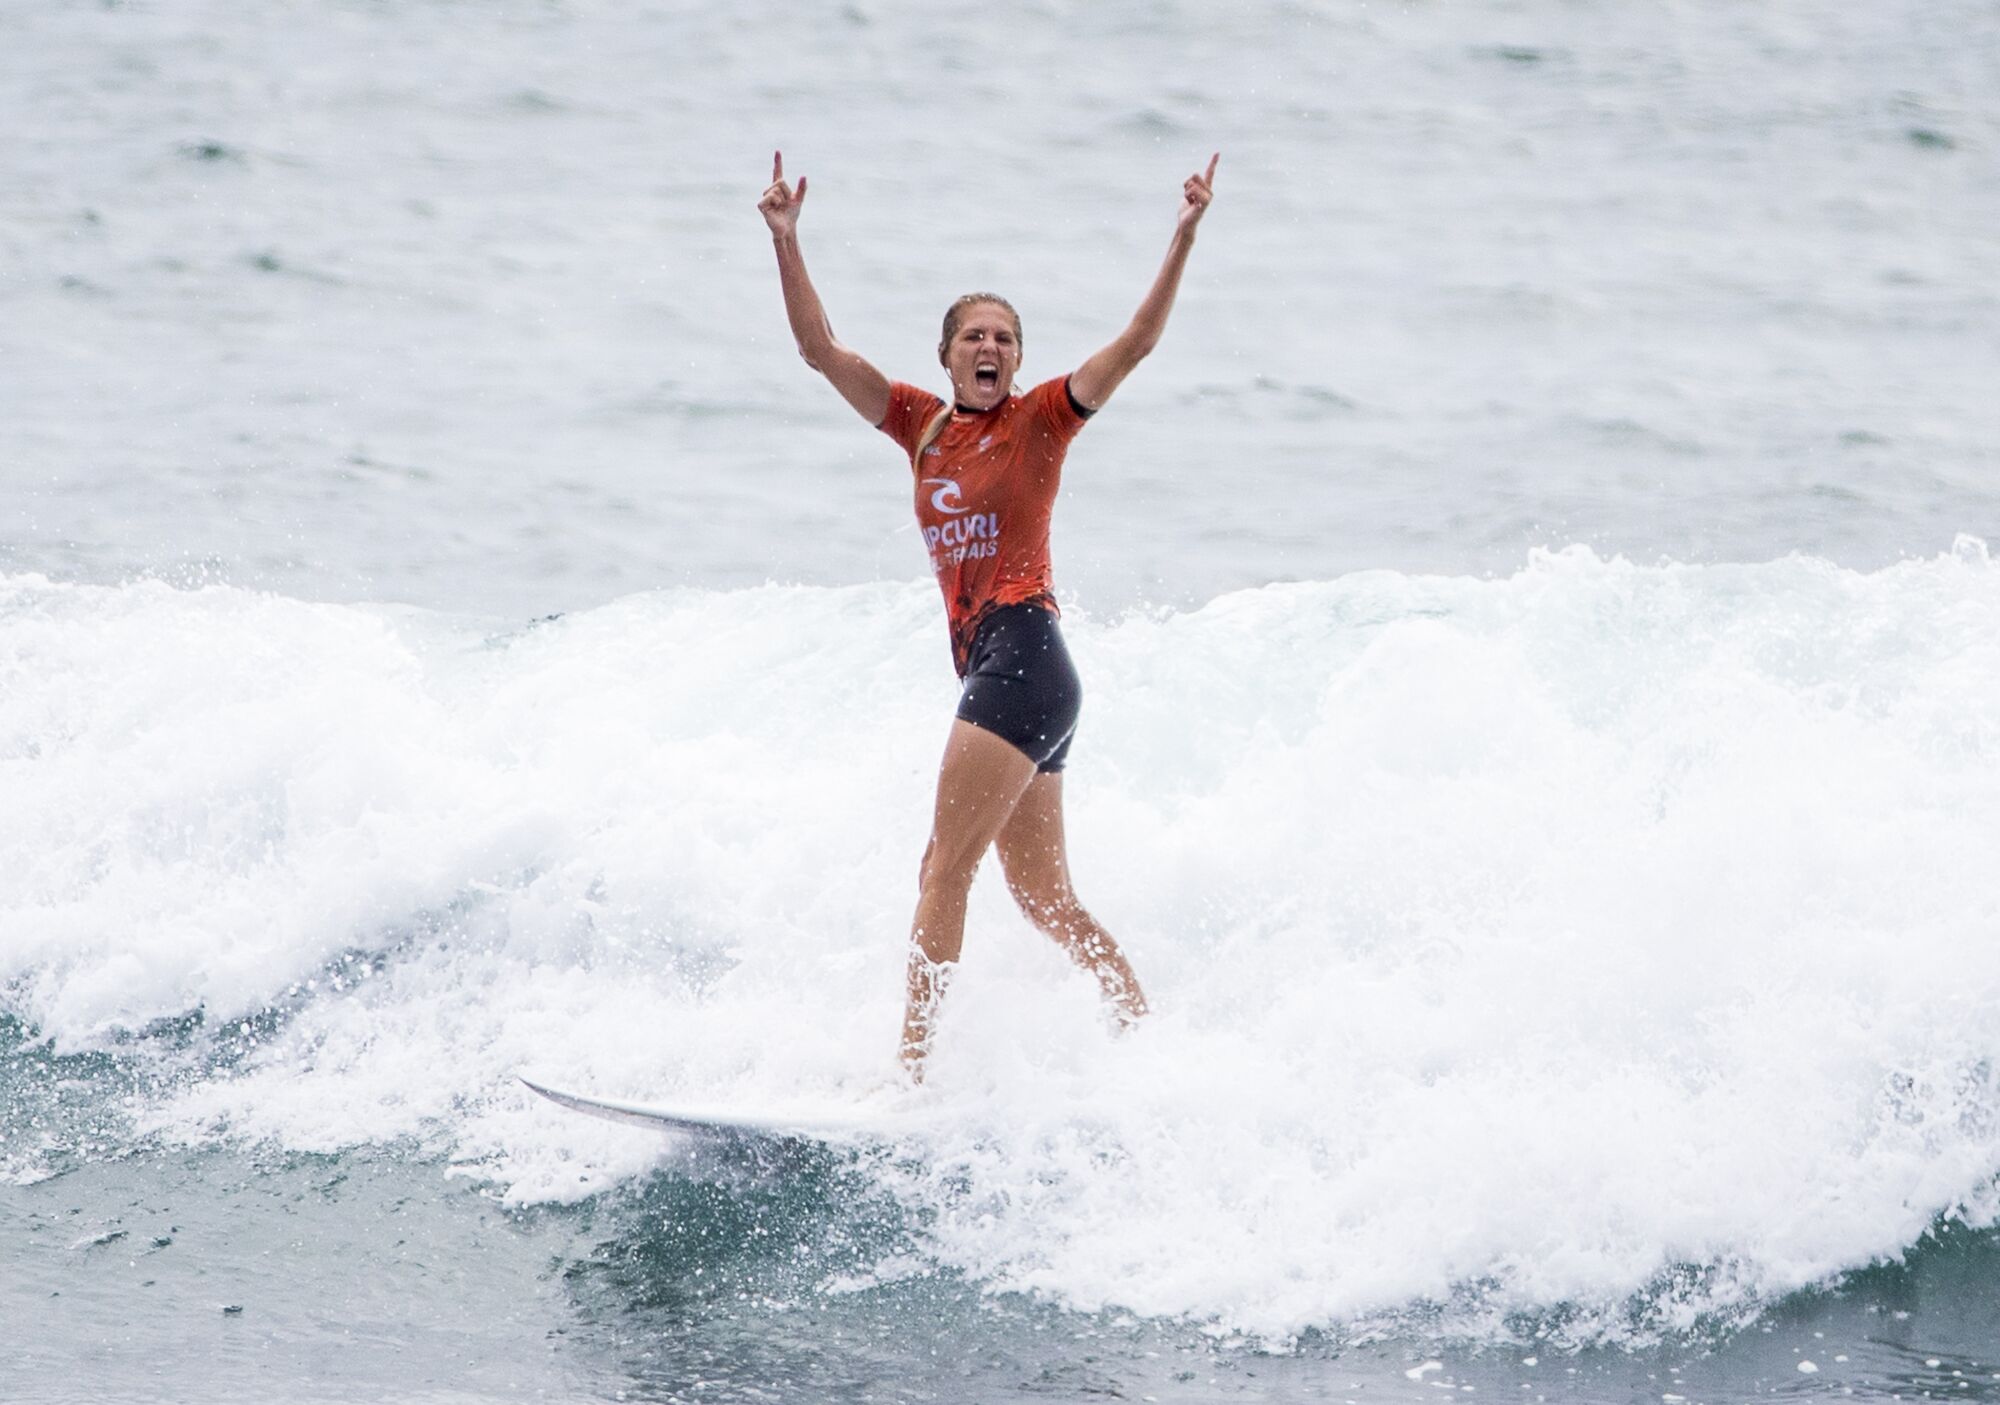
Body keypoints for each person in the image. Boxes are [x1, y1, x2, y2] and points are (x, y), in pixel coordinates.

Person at [757, 149, 1219, 1079]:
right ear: (947, 353)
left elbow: (1133, 344)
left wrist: (1182, 235)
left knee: (942, 867)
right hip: (1021, 683)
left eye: (1005, 337)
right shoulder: (919, 424)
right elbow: (818, 351)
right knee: (1043, 897)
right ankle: (1142, 1027)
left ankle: (911, 1072)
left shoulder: (1045, 417)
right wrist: (786, 240)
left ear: (1018, 357)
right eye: (974, 335)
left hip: (1025, 656)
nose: (990, 348)